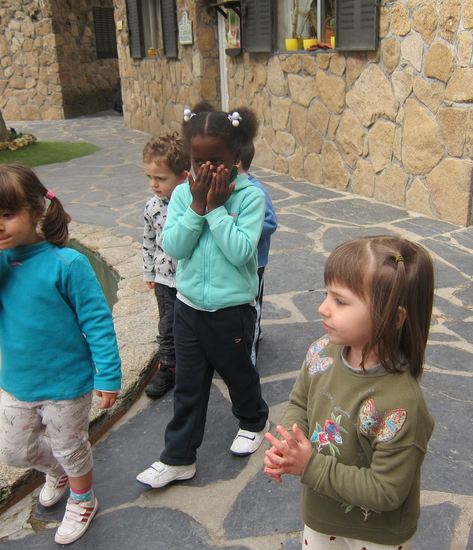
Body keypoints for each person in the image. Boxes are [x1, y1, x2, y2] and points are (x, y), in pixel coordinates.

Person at [0, 164, 122, 545]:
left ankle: (83, 497)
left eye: (7, 214)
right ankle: (57, 471)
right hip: (19, 384)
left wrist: (108, 374)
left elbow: (98, 323)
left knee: (71, 448)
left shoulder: (68, 264)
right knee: (10, 450)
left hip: (67, 384)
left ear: (37, 211)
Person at [264, 235, 435, 550]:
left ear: (393, 317)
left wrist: (309, 465)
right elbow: (301, 402)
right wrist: (288, 444)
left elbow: (386, 490)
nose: (323, 308)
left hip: (377, 535)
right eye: (328, 294)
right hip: (320, 518)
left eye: (340, 301)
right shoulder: (321, 354)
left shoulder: (401, 406)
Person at [136, 102, 270, 489]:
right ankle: (179, 457)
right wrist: (196, 205)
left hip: (231, 311)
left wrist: (214, 209)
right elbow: (175, 247)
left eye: (218, 160)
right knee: (189, 383)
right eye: (199, 161)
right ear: (189, 160)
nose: (208, 169)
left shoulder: (248, 198)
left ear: (237, 157)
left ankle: (253, 419)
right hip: (188, 307)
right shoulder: (181, 197)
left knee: (238, 373)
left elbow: (242, 251)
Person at [141, 133, 190, 398]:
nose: (153, 184)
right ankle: (169, 367)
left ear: (183, 176)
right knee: (167, 325)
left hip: (189, 278)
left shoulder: (191, 205)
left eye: (160, 178)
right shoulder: (151, 207)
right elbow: (149, 241)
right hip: (163, 279)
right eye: (149, 177)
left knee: (193, 322)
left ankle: (198, 360)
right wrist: (149, 270)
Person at [237, 141, 277, 362]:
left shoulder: (257, 190)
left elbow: (270, 223)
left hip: (257, 260)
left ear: (237, 160)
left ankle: (251, 346)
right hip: (240, 258)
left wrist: (247, 227)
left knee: (254, 302)